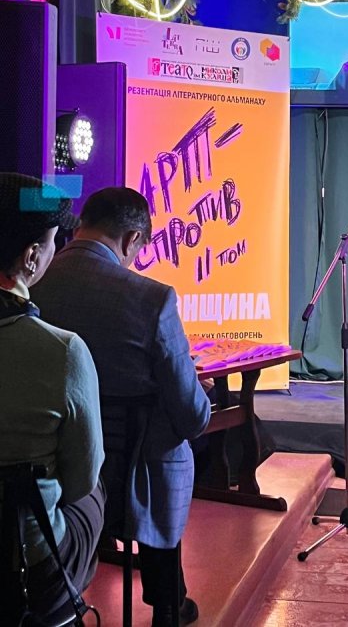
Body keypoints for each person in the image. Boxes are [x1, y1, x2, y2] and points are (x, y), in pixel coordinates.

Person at [32, 187, 212, 627]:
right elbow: (192, 416)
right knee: (173, 441)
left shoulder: (35, 282)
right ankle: (167, 603)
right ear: (132, 239)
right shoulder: (153, 298)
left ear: (82, 224)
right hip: (134, 480)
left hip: (60, 472)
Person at [0, 172, 105, 624]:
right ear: (30, 257)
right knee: (95, 489)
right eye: (53, 243)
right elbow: (80, 482)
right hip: (24, 567)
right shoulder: (63, 351)